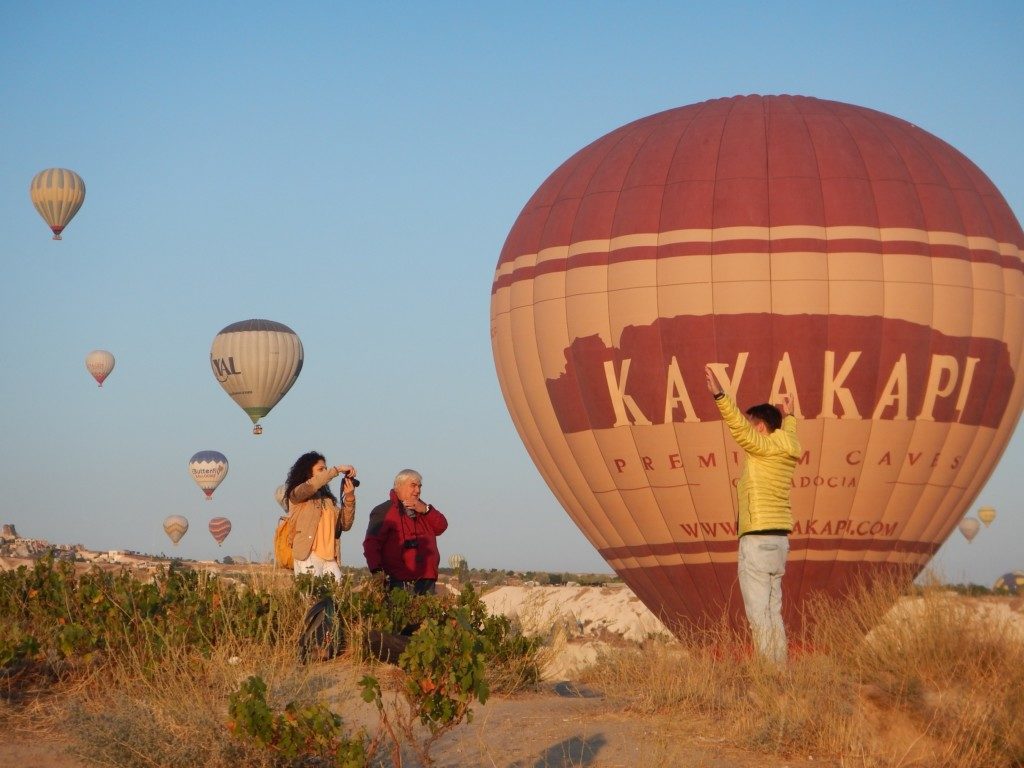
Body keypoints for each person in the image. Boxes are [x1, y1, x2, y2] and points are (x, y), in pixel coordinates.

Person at [704, 366, 800, 664]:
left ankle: (770, 676)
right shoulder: (788, 448)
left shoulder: (762, 448)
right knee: (773, 611)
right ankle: (779, 672)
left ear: (760, 427)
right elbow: (789, 434)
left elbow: (737, 426)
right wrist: (790, 417)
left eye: (753, 423)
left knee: (759, 615)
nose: (749, 427)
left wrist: (720, 395)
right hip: (780, 541)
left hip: (756, 539)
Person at [363, 469, 448, 595]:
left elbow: (441, 526)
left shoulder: (424, 509)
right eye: (413, 485)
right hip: (399, 580)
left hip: (427, 578)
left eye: (419, 486)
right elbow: (371, 543)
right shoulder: (384, 511)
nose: (418, 490)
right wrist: (377, 573)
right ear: (399, 487)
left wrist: (426, 510)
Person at [284, 451, 357, 582]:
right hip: (308, 554)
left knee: (337, 598)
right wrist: (337, 470)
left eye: (325, 469)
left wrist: (350, 498)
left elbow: (345, 525)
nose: (324, 472)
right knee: (313, 599)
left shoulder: (328, 500)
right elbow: (311, 485)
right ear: (308, 472)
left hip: (330, 557)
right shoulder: (297, 494)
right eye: (320, 469)